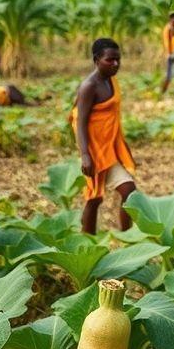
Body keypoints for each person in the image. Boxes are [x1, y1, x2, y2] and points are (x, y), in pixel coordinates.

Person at [71, 38, 137, 235]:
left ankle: (127, 238)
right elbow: (80, 122)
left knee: (129, 193)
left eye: (118, 59)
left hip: (110, 149)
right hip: (94, 151)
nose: (115, 64)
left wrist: (123, 147)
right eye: (110, 60)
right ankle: (86, 245)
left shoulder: (111, 81)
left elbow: (112, 119)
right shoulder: (89, 87)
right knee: (94, 198)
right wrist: (85, 155)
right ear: (96, 60)